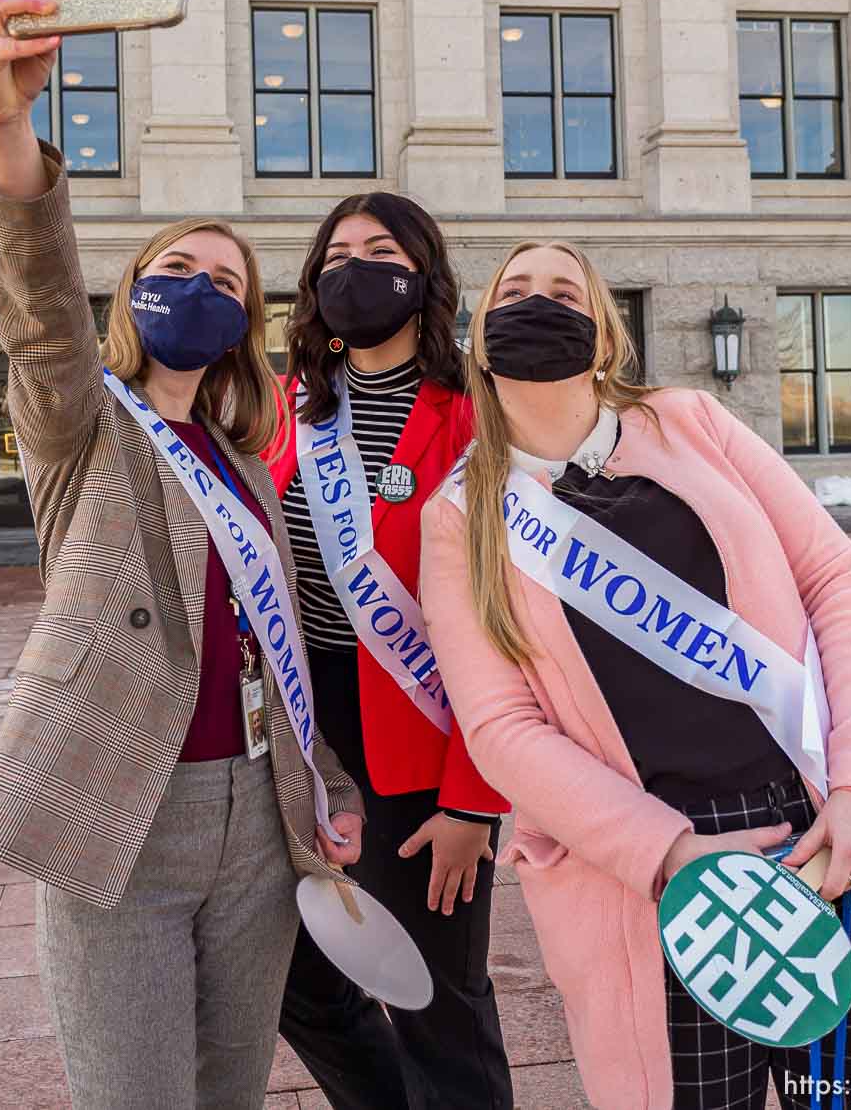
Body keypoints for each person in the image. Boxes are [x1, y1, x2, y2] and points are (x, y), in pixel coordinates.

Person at [418, 239, 851, 1110]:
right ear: (480, 341)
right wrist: (669, 855)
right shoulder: (460, 514)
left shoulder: (693, 425)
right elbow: (501, 729)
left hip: (820, 824)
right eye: (514, 292)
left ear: (602, 337)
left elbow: (836, 582)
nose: (538, 302)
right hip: (655, 874)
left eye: (565, 290)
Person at [0, 0, 365, 1110]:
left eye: (225, 278)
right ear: (132, 294)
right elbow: (36, 305)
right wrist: (1, 118)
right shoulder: (82, 421)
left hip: (254, 822)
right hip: (121, 809)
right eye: (176, 268)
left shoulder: (245, 465)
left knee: (228, 1090)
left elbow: (270, 655)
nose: (199, 285)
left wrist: (324, 781)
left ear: (246, 322)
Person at [269, 193, 515, 1110]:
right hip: (299, 739)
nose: (354, 269)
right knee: (293, 977)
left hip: (420, 743)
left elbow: (508, 625)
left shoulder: (471, 419)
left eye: (380, 251)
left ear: (423, 279)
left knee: (438, 1002)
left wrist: (474, 804)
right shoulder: (287, 411)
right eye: (337, 254)